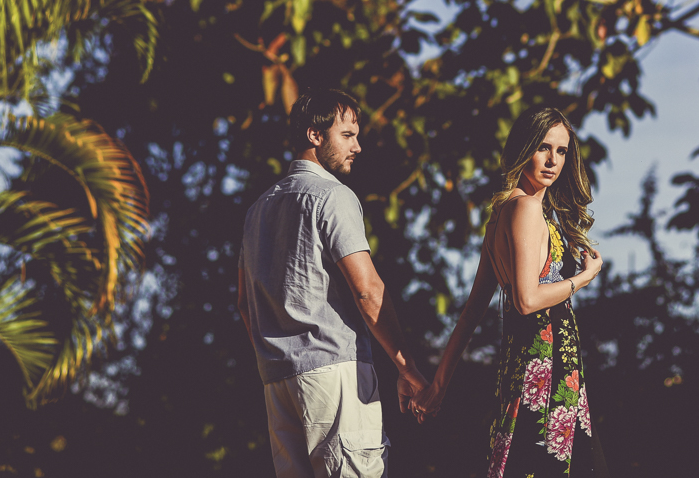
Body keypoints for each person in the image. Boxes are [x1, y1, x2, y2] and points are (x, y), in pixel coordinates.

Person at [238, 88, 428, 477]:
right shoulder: (332, 196)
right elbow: (367, 290)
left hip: (277, 381)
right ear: (315, 135)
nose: (357, 146)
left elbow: (244, 303)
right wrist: (406, 367)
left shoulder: (258, 210)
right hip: (334, 373)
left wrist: (276, 354)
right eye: (347, 135)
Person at [412, 107, 604, 476]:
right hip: (545, 368)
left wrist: (439, 385)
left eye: (561, 151)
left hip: (525, 367)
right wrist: (583, 278)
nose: (553, 160)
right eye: (543, 147)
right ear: (523, 148)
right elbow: (527, 300)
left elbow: (471, 312)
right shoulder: (527, 209)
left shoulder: (501, 214)